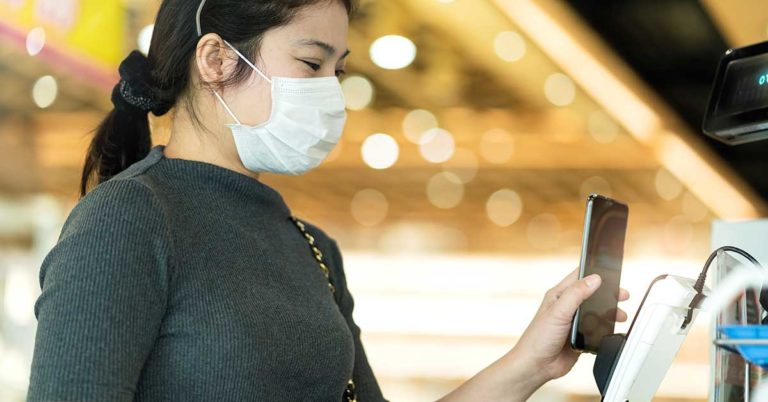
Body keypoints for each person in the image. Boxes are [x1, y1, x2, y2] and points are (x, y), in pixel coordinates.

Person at [26, 0, 629, 401]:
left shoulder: (311, 247)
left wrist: (532, 362)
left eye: (336, 71)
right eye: (310, 63)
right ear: (214, 60)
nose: (329, 94)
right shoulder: (128, 223)